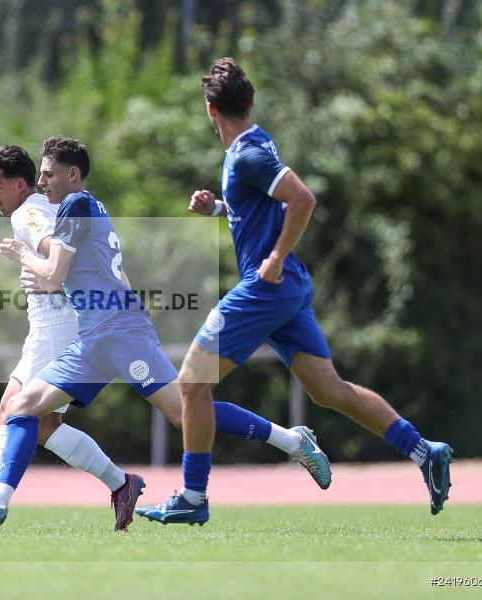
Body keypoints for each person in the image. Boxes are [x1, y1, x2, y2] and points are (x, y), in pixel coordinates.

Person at [0, 138, 331, 531]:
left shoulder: (73, 206)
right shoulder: (88, 206)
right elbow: (107, 273)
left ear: (72, 175)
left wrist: (25, 257)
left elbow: (55, 273)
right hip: (94, 338)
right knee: (22, 407)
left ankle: (292, 441)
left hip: (120, 335)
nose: (42, 182)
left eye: (48, 174)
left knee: (183, 413)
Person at [137, 58, 453, 525]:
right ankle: (424, 450)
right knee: (329, 390)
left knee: (192, 382)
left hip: (265, 288)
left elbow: (302, 199)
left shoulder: (247, 154)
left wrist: (276, 257)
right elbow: (261, 208)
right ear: (249, 102)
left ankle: (192, 497)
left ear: (210, 110)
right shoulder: (254, 145)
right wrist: (218, 208)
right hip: (287, 290)